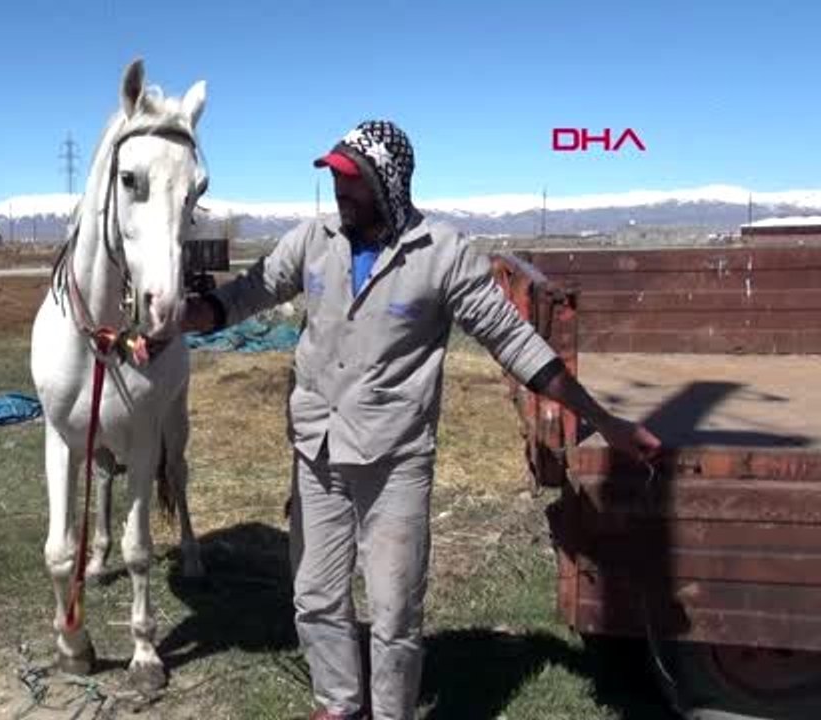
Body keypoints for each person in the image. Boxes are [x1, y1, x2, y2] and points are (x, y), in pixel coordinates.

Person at [182, 120, 662, 720]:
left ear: (388, 184)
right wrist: (181, 316)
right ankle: (338, 704)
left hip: (395, 459)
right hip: (317, 450)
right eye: (334, 179)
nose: (340, 193)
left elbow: (514, 341)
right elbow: (240, 298)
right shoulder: (312, 240)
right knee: (314, 596)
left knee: (394, 609)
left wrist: (605, 420)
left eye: (351, 182)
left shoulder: (441, 254)